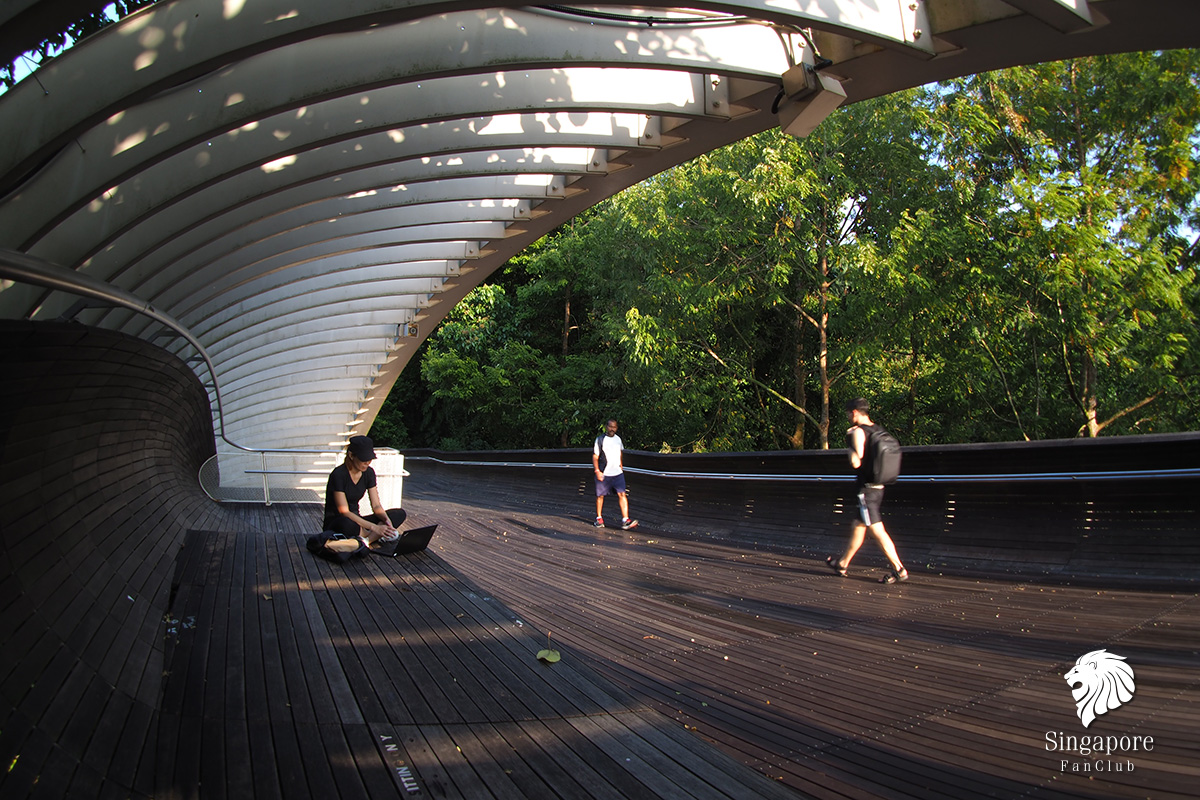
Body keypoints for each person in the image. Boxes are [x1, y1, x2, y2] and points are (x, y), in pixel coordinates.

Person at [827, 398, 908, 584]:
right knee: (858, 525)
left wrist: (850, 442)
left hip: (866, 491)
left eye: (848, 414)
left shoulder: (858, 432)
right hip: (879, 487)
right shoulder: (878, 430)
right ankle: (842, 563)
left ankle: (899, 568)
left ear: (854, 412)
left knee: (877, 530)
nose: (848, 417)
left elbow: (856, 461)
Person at [320, 435, 407, 552]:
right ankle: (372, 536)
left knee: (399, 514)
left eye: (370, 459)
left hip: (359, 521)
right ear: (351, 455)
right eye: (364, 459)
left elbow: (376, 505)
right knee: (347, 524)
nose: (367, 463)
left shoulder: (369, 473)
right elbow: (344, 511)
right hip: (339, 522)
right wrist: (374, 527)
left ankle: (365, 541)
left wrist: (387, 521)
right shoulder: (338, 475)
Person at [592, 418, 637, 530]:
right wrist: (597, 470)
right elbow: (595, 456)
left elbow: (619, 452)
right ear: (606, 427)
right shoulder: (600, 440)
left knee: (622, 494)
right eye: (610, 426)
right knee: (600, 496)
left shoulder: (618, 439)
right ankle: (599, 518)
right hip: (604, 472)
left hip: (617, 472)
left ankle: (625, 519)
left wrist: (621, 465)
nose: (612, 429)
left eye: (614, 427)